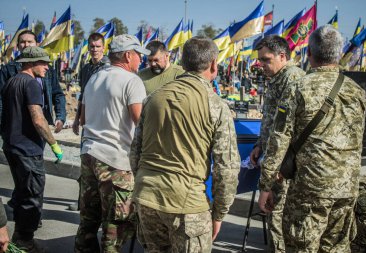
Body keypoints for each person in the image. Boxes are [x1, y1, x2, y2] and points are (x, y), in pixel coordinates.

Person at [258, 25, 366, 252]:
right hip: (347, 188)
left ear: (308, 53)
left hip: (311, 188)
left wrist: (265, 186)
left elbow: (279, 140)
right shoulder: (357, 90)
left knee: (302, 246)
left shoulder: (299, 87)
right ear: (339, 54)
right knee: (336, 248)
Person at [130, 36, 240, 252]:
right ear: (214, 64)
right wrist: (219, 214)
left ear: (183, 62)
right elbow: (226, 168)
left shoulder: (153, 98)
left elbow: (135, 152)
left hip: (147, 197)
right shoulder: (216, 105)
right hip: (186, 205)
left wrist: (142, 186)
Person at [74, 34, 150, 252]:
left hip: (89, 154)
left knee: (88, 220)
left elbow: (83, 119)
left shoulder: (94, 78)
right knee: (115, 226)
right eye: (138, 55)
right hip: (115, 162)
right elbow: (140, 123)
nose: (140, 60)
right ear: (128, 55)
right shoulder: (132, 81)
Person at [1, 46, 63, 252]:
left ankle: (20, 235)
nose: (47, 67)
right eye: (43, 62)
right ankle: (24, 242)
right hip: (27, 150)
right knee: (32, 197)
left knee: (21, 192)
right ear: (30, 63)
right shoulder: (31, 84)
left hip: (12, 146)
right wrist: (54, 144)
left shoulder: (11, 81)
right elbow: (38, 119)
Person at [249, 35, 305, 252]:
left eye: (266, 60)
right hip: (274, 157)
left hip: (285, 162)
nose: (261, 65)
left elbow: (286, 132)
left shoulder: (293, 80)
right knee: (274, 216)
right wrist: (259, 144)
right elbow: (270, 120)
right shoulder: (277, 78)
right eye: (260, 60)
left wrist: (277, 167)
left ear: (282, 56)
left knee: (278, 218)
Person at [0, 30, 66, 133]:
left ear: (37, 44)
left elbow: (58, 94)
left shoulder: (47, 70)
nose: (26, 45)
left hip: (42, 123)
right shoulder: (8, 69)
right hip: (17, 126)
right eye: (22, 42)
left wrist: (60, 117)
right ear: (17, 46)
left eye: (30, 42)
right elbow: (1, 99)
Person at [72, 32, 110, 135]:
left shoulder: (110, 68)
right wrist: (77, 119)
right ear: (88, 47)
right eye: (92, 46)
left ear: (103, 47)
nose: (95, 49)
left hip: (105, 118)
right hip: (88, 117)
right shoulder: (85, 69)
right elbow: (82, 96)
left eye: (98, 46)